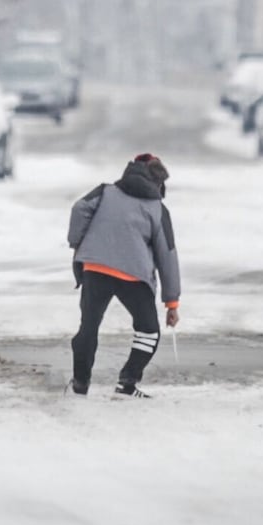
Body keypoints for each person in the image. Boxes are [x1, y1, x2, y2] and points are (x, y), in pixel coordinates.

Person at [66, 152, 181, 398]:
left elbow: (79, 209)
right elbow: (167, 254)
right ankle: (127, 384)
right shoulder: (158, 209)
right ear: (158, 181)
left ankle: (80, 384)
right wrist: (172, 303)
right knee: (148, 331)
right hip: (134, 276)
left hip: (96, 269)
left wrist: (78, 242)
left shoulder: (105, 192)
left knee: (88, 328)